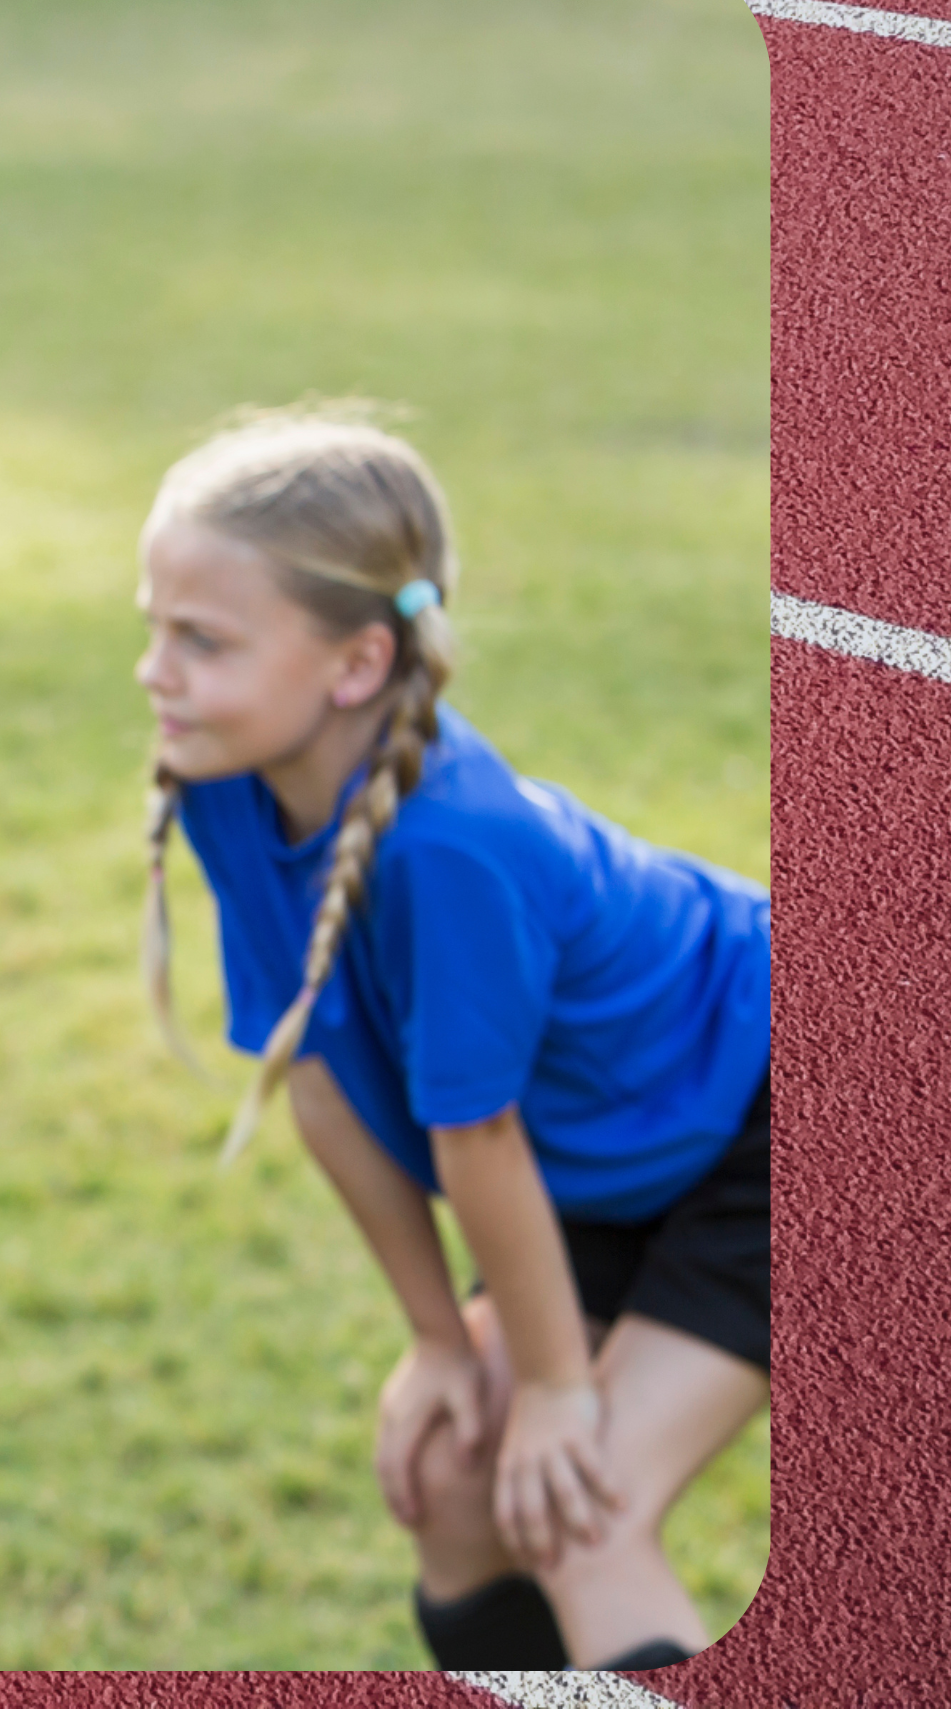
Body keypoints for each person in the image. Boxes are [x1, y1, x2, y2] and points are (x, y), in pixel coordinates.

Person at [135, 410, 769, 1674]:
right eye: (151, 628)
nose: (155, 672)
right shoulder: (223, 782)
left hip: (776, 1119)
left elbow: (473, 1136)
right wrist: (440, 1341)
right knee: (450, 1478)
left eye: (199, 642)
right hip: (609, 1155)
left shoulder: (457, 846)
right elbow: (313, 1079)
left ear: (357, 664)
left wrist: (550, 1386)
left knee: (579, 1511)